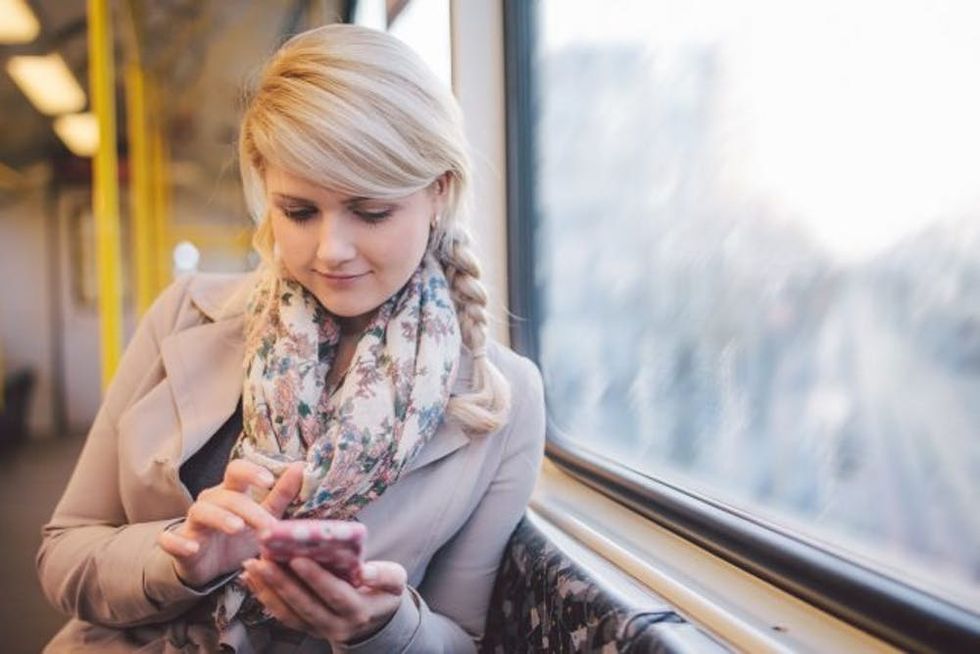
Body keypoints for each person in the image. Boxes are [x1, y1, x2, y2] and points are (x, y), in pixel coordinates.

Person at [37, 24, 545, 653]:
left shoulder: (503, 397)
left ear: (438, 192)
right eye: (298, 212)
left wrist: (384, 628)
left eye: (372, 211)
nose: (331, 251)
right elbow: (64, 552)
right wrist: (179, 561)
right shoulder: (184, 313)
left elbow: (462, 638)